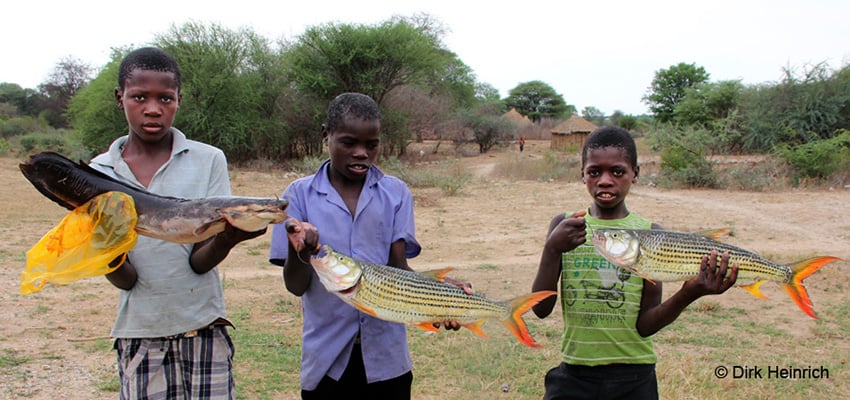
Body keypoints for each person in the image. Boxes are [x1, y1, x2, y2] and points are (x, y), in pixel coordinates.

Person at [90, 47, 264, 400]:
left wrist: (228, 238)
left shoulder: (208, 160)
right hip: (139, 332)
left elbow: (199, 262)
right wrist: (101, 247)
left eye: (165, 98)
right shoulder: (99, 173)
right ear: (119, 97)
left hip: (204, 328)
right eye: (140, 97)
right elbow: (126, 280)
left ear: (179, 100)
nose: (153, 108)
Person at [269, 92, 466, 399]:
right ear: (326, 136)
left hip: (387, 361)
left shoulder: (395, 193)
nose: (361, 153)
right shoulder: (298, 196)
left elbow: (399, 268)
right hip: (326, 360)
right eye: (349, 143)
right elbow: (295, 286)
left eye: (371, 144)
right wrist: (302, 252)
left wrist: (441, 294)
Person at [530, 126, 739, 400]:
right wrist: (552, 249)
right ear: (582, 174)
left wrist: (691, 292)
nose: (605, 180)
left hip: (634, 377)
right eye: (594, 171)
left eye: (617, 171)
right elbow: (541, 309)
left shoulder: (652, 233)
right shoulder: (565, 225)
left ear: (635, 174)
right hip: (575, 374)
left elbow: (646, 325)